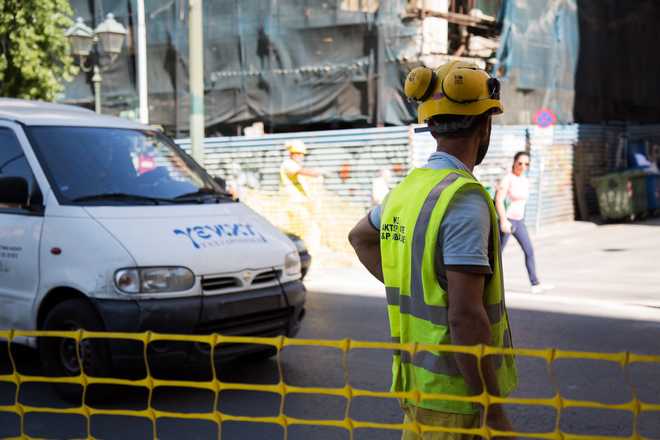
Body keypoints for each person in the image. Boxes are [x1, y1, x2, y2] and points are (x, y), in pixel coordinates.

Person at [348, 61, 517, 439]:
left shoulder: (408, 189)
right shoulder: (464, 199)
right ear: (484, 124)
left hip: (418, 387)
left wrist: (412, 282)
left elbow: (360, 237)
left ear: (432, 124)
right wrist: (491, 408)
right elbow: (465, 317)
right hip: (458, 402)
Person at [495, 152, 552, 294]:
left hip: (519, 221)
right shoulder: (507, 179)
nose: (522, 166)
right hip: (507, 221)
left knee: (529, 251)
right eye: (520, 163)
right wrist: (503, 221)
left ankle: (535, 284)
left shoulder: (525, 180)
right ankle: (486, 285)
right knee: (496, 255)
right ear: (514, 162)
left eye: (526, 164)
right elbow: (499, 200)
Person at [280, 140, 323, 251]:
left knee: (304, 228)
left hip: (300, 203)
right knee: (301, 229)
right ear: (291, 153)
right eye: (297, 154)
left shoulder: (294, 164)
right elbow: (301, 172)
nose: (300, 156)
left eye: (301, 154)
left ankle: (304, 250)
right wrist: (316, 173)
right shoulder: (288, 164)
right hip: (293, 203)